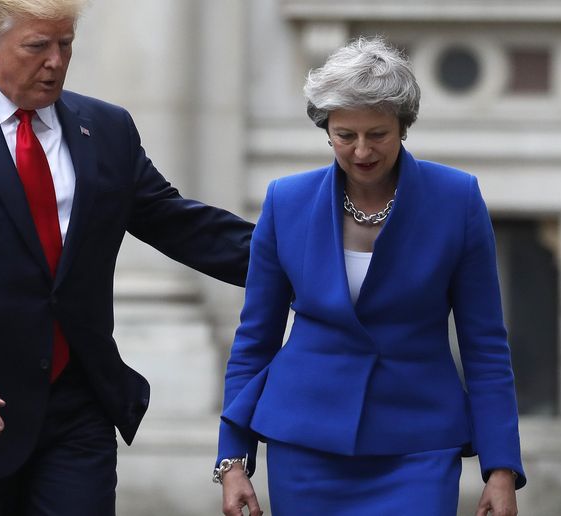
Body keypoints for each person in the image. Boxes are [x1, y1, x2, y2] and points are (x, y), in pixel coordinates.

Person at [0, 0, 253, 514]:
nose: (55, 61)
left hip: (74, 402)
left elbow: (179, 223)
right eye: (37, 46)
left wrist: (307, 259)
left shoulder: (105, 128)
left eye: (65, 44)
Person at [215, 36, 525, 516]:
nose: (361, 150)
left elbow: (485, 344)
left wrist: (500, 468)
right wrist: (232, 459)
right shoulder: (286, 202)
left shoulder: (457, 200)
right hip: (306, 443)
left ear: (402, 127)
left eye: (377, 134)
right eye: (345, 135)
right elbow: (255, 338)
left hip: (418, 443)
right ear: (327, 131)